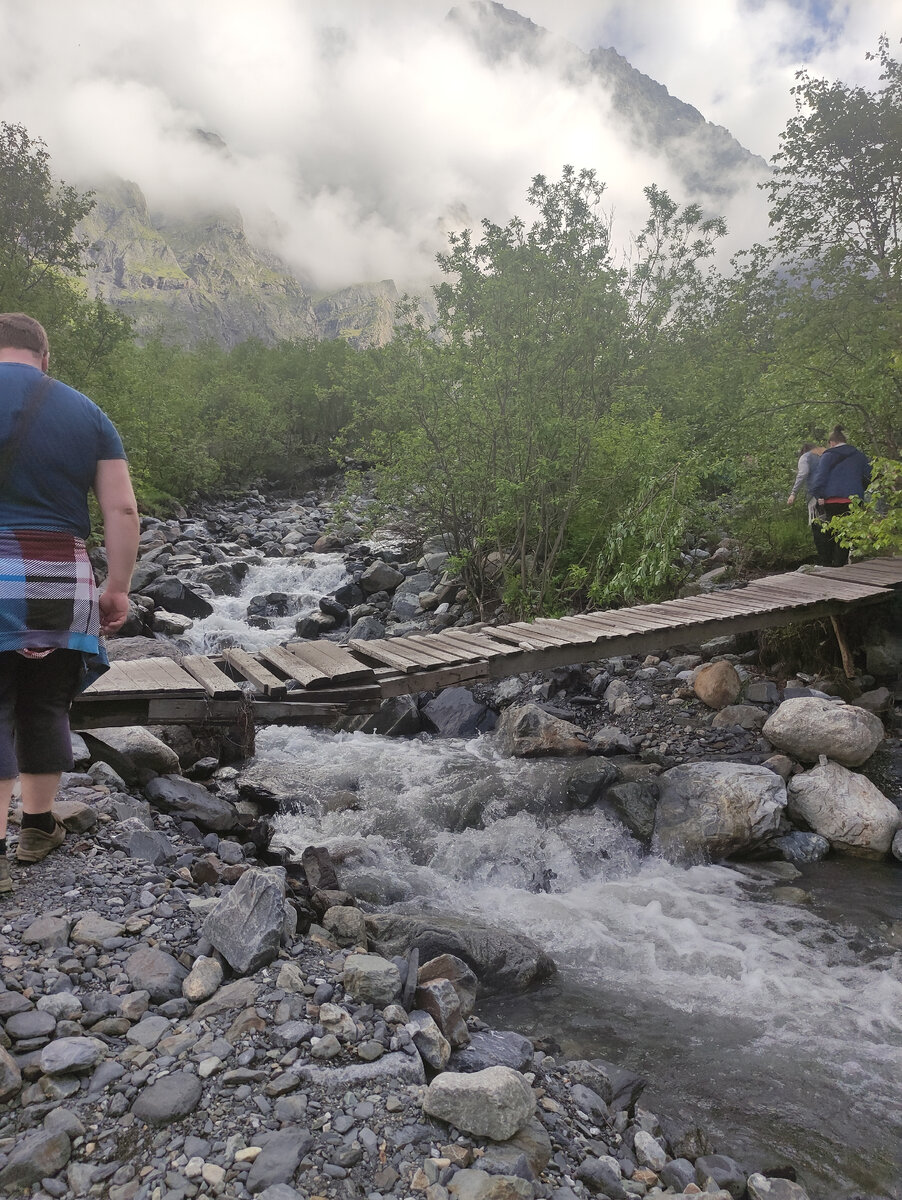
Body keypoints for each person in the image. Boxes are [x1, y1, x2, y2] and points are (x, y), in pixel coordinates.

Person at [0, 313, 139, 893]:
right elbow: (123, 511)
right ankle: (36, 828)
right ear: (45, 356)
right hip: (59, 572)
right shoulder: (87, 413)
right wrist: (118, 586)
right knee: (46, 700)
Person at [808, 425, 871, 567]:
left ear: (832, 442)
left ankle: (829, 566)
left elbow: (819, 479)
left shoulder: (828, 455)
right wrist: (859, 490)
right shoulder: (859, 456)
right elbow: (870, 476)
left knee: (830, 532)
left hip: (833, 501)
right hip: (853, 501)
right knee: (846, 535)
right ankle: (840, 564)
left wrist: (819, 495)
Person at [786, 441, 821, 507]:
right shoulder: (823, 456)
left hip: (814, 494)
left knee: (816, 516)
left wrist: (793, 493)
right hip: (829, 494)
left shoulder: (805, 457)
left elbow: (803, 473)